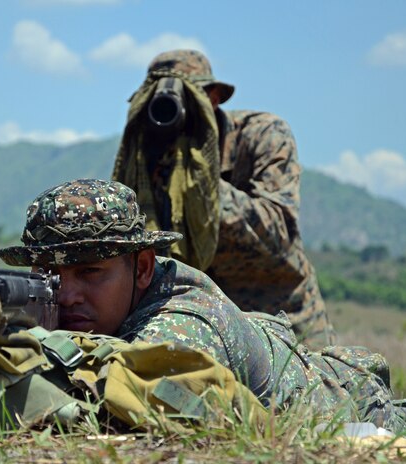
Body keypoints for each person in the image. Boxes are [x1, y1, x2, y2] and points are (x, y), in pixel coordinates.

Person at [0, 178, 406, 444]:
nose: (67, 293)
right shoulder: (68, 306)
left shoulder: (184, 317)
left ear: (141, 268)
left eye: (90, 272)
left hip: (372, 418)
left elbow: (125, 401)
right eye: (49, 275)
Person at [112, 49, 335, 348]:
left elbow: (277, 233)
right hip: (204, 322)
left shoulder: (261, 135)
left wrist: (201, 181)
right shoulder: (144, 161)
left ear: (213, 98)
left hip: (285, 320)